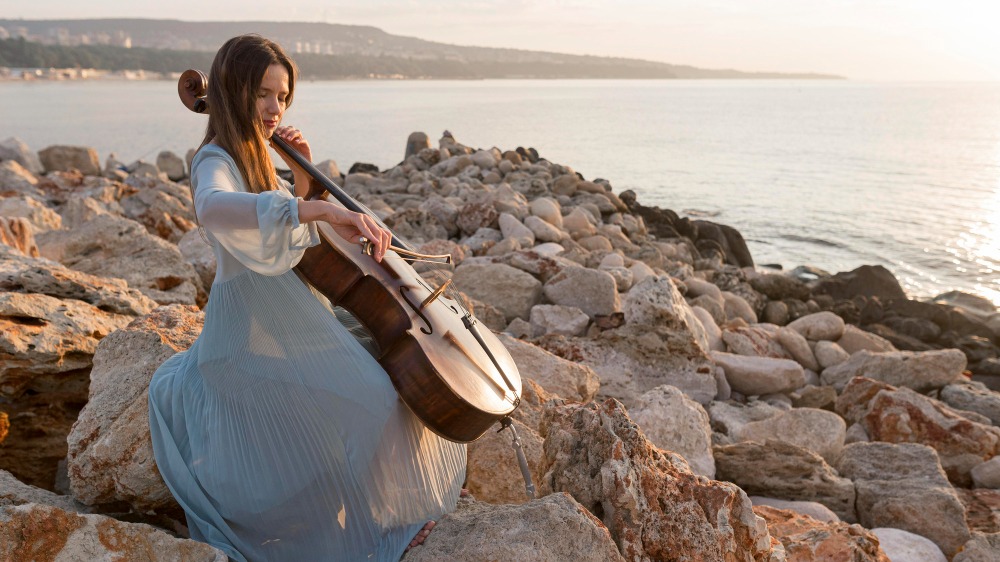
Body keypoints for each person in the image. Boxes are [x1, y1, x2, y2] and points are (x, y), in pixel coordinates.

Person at [148, 34, 467, 562]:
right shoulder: (214, 158)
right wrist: (317, 210)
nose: (275, 109)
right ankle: (373, 532)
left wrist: (303, 183)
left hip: (288, 313)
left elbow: (283, 236)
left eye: (283, 97)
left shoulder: (256, 154)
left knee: (387, 377)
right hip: (250, 321)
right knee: (375, 398)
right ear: (231, 90)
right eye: (263, 95)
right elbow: (215, 208)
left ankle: (379, 513)